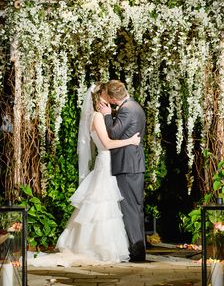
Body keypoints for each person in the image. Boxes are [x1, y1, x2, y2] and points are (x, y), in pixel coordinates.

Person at [27, 82, 141, 267]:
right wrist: (130, 140)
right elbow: (107, 144)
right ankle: (98, 248)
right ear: (100, 99)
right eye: (106, 98)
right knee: (102, 207)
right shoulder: (97, 117)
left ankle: (102, 247)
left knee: (105, 207)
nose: (110, 102)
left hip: (106, 164)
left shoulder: (99, 116)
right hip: (105, 162)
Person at [99, 80, 146, 262]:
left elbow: (113, 133)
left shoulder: (127, 109)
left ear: (111, 98)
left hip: (127, 165)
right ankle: (139, 248)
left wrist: (107, 115)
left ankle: (136, 251)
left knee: (130, 208)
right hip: (133, 164)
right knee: (136, 207)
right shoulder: (136, 106)